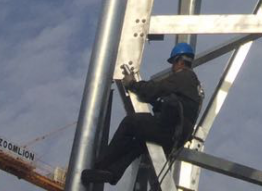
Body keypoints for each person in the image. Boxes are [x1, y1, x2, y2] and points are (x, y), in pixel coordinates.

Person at [81, 43, 204, 186]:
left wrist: (132, 84)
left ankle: (101, 163)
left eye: (173, 63)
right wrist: (155, 103)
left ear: (180, 61)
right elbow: (173, 104)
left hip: (170, 130)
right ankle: (113, 173)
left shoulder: (183, 76)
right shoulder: (193, 85)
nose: (172, 67)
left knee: (131, 122)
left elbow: (155, 89)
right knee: (139, 142)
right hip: (176, 136)